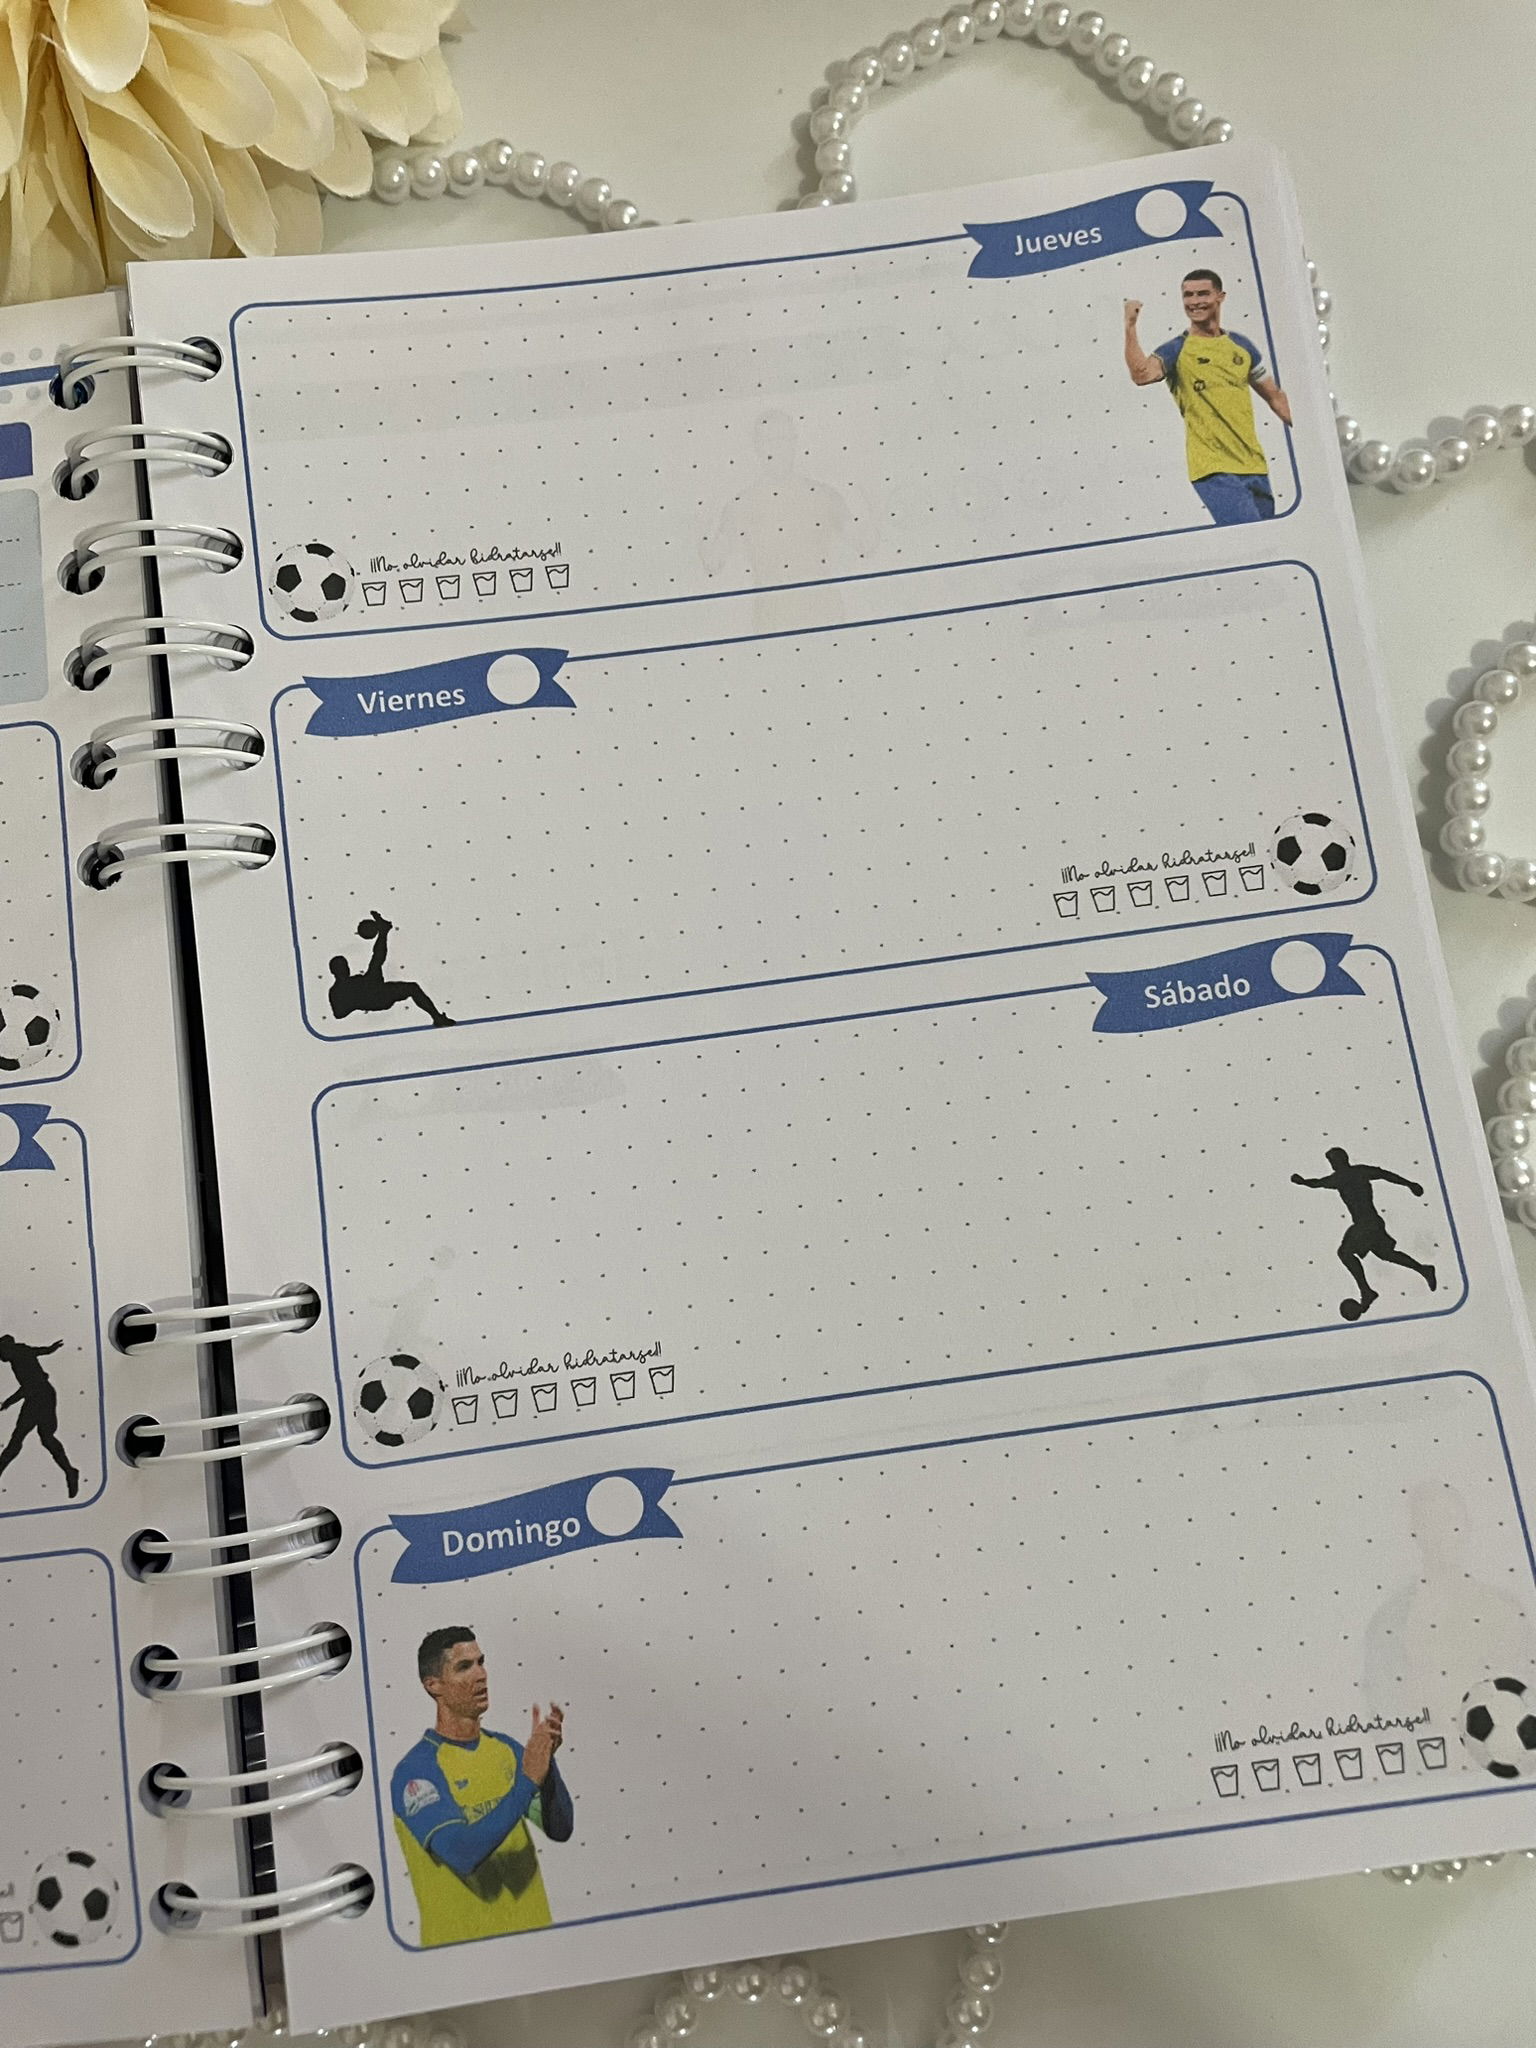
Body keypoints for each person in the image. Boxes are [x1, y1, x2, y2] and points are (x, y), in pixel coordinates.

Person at [392, 1628, 572, 1946]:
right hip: (466, 1955)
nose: (481, 1675)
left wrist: (547, 1764)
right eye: (464, 1667)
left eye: (481, 1662)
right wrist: (527, 1782)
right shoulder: (417, 1772)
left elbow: (560, 1829)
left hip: (537, 1941)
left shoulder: (506, 1750)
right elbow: (461, 1852)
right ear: (433, 1685)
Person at [1123, 269, 1292, 526]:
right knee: (1249, 537)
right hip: (1214, 469)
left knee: (1269, 542)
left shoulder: (1242, 346)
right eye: (1188, 295)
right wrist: (1130, 327)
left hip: (1254, 465)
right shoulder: (1177, 349)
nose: (1195, 302)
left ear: (1220, 297)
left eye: (1202, 294)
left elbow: (1275, 397)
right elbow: (1141, 374)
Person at [1290, 1147, 1437, 1320]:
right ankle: (1423, 1269)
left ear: (1339, 1160)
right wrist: (1409, 1184)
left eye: (1332, 1161)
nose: (1332, 1165)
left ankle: (1366, 1290)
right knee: (1386, 1254)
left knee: (1345, 1252)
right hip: (1373, 1223)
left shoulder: (1341, 1177)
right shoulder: (1358, 1172)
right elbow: (1384, 1174)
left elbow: (1318, 1183)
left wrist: (1302, 1182)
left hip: (1365, 1224)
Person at [327, 912, 453, 1027]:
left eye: (344, 966)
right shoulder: (338, 990)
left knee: (379, 967)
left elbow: (339, 1013)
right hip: (376, 997)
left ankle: (384, 931)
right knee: (378, 966)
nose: (345, 969)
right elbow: (339, 1013)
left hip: (377, 993)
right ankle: (384, 931)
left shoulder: (344, 986)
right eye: (342, 967)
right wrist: (356, 1002)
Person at [0, 1334, 78, 1497]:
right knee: (46, 1438)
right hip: (43, 1394)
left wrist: (8, 1402)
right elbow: (42, 1351)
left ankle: (70, 1472)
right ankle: (70, 1471)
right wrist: (51, 1348)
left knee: (19, 1438)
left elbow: (29, 1386)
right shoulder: (22, 1351)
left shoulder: (19, 1357)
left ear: (7, 1348)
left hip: (38, 1396)